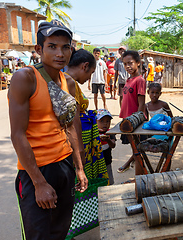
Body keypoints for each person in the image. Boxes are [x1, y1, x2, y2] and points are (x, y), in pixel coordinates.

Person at [8, 19, 87, 240]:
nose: (60, 53)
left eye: (65, 47)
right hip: (36, 170)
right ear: (39, 49)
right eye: (52, 46)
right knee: (38, 236)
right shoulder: (25, 78)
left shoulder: (68, 82)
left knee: (60, 231)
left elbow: (71, 126)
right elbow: (17, 134)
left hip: (64, 165)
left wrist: (79, 168)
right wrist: (39, 183)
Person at [64, 49, 109, 239]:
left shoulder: (66, 80)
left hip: (81, 142)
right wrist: (80, 156)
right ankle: (69, 227)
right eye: (90, 73)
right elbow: (72, 125)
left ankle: (70, 225)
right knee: (76, 185)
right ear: (84, 67)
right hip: (74, 145)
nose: (90, 76)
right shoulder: (68, 83)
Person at [118, 50, 146, 176]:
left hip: (135, 120)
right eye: (125, 64)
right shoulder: (129, 79)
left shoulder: (140, 80)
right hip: (127, 119)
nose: (127, 66)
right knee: (133, 145)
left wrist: (138, 121)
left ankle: (132, 166)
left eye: (130, 63)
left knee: (137, 146)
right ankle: (134, 163)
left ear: (138, 63)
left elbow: (141, 103)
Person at [96, 109, 116, 185]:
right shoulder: (93, 132)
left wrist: (108, 140)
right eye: (102, 121)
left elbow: (113, 145)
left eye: (107, 121)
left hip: (106, 161)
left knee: (109, 181)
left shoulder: (110, 132)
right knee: (98, 181)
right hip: (96, 162)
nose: (105, 124)